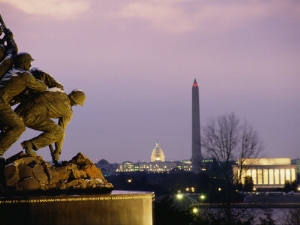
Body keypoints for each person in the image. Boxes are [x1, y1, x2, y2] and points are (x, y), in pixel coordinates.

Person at [15, 88, 86, 161]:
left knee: (54, 129)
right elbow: (61, 131)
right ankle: (29, 145)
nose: (76, 105)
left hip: (20, 109)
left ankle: (29, 145)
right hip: (30, 116)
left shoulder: (58, 92)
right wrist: (58, 151)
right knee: (59, 132)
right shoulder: (68, 112)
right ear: (76, 102)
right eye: (77, 103)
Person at [0, 52, 47, 156]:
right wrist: (42, 81)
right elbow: (41, 87)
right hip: (1, 103)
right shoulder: (25, 75)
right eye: (28, 62)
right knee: (19, 127)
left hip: (2, 102)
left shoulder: (11, 71)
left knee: (6, 126)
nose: (30, 65)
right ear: (23, 63)